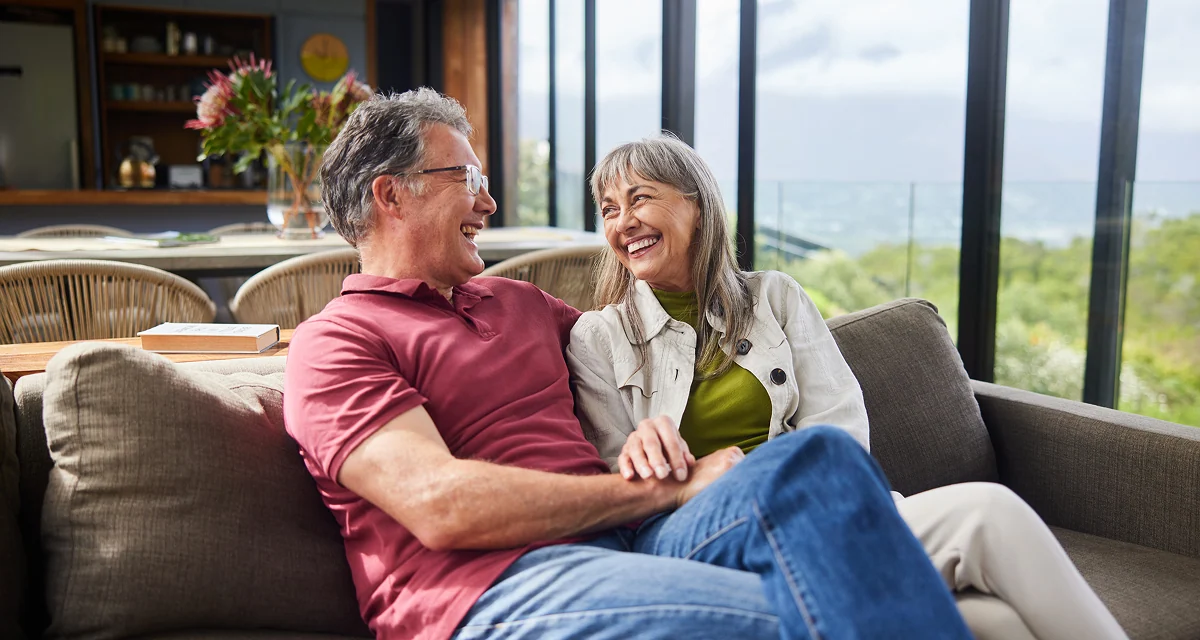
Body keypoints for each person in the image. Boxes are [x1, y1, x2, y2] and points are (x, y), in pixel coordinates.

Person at [283, 88, 975, 640]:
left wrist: (697, 253)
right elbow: (442, 506)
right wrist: (661, 490)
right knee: (821, 605)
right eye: (467, 178)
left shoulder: (516, 302)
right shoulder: (336, 342)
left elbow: (644, 342)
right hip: (490, 590)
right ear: (389, 194)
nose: (489, 202)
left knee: (818, 458)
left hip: (629, 549)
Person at [566, 133, 1129, 640]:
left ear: (697, 203)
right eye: (609, 210)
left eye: (640, 198)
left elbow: (841, 430)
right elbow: (616, 482)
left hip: (823, 508)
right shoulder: (598, 337)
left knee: (990, 528)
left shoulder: (775, 299)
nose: (622, 223)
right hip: (702, 531)